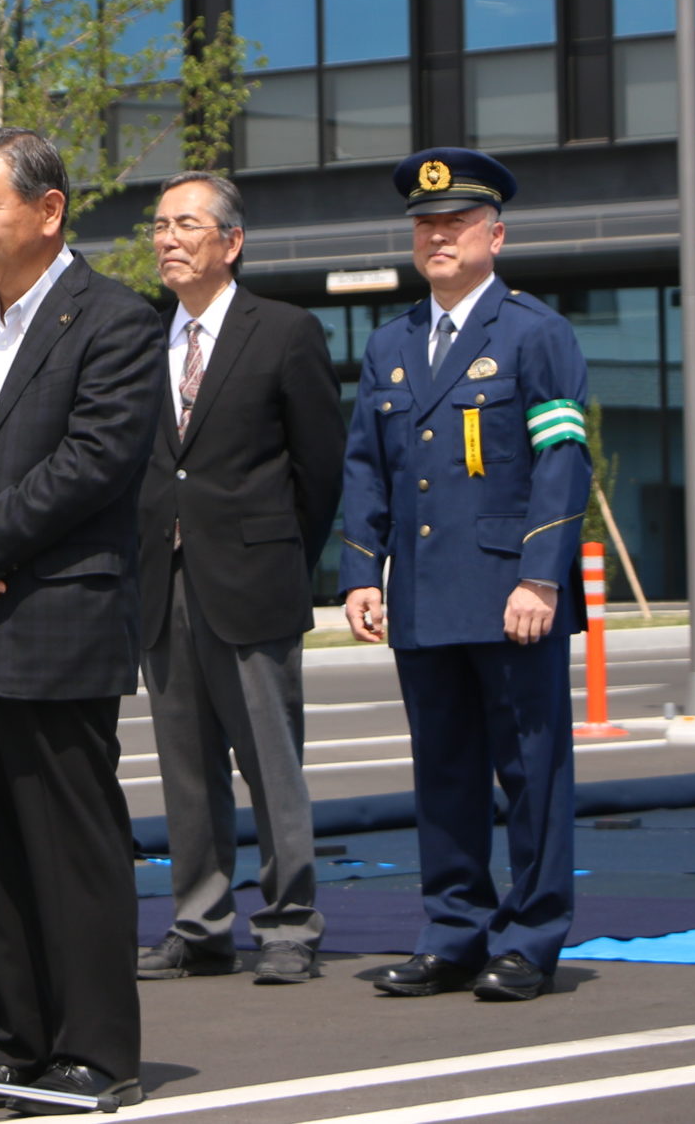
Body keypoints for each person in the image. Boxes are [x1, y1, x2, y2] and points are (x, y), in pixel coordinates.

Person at [0, 127, 161, 1112]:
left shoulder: (115, 321)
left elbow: (94, 461)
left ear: (47, 212)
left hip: (56, 620)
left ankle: (94, 1052)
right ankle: (16, 1044)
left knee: (70, 844)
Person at [339, 149, 592, 1003]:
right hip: (422, 594)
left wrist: (543, 577)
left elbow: (563, 458)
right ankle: (453, 929)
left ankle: (531, 935)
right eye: (424, 225)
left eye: (455, 224)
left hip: (511, 590)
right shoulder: (392, 342)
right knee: (443, 772)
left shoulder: (534, 332)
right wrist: (361, 572)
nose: (437, 236)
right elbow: (366, 466)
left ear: (496, 234)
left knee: (532, 770)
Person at [133, 172, 345, 986]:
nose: (168, 239)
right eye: (159, 225)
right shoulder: (143, 338)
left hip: (253, 578)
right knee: (185, 768)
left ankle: (290, 920)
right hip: (165, 579)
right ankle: (200, 921)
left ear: (232, 241)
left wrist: (281, 553)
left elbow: (319, 468)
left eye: (187, 224)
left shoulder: (284, 331)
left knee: (271, 764)